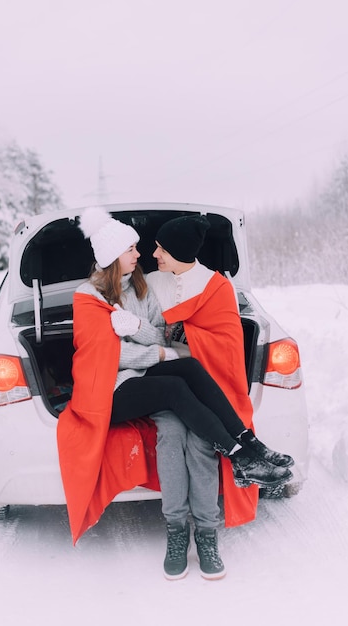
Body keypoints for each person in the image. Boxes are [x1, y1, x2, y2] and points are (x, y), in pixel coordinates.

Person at [57, 206, 292, 577]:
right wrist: (158, 351)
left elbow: (154, 332)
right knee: (173, 386)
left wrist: (134, 326)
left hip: (144, 376)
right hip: (109, 391)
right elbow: (110, 358)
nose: (140, 253)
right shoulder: (89, 298)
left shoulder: (139, 287)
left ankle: (250, 448)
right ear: (112, 256)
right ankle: (238, 454)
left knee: (191, 368)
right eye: (132, 249)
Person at [147, 213, 295, 576]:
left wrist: (180, 333)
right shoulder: (150, 282)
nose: (155, 254)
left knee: (201, 444)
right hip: (163, 380)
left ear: (180, 251)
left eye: (162, 248)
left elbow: (226, 345)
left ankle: (207, 534)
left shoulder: (216, 287)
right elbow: (141, 332)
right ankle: (176, 530)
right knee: (170, 437)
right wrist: (169, 336)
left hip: (208, 384)